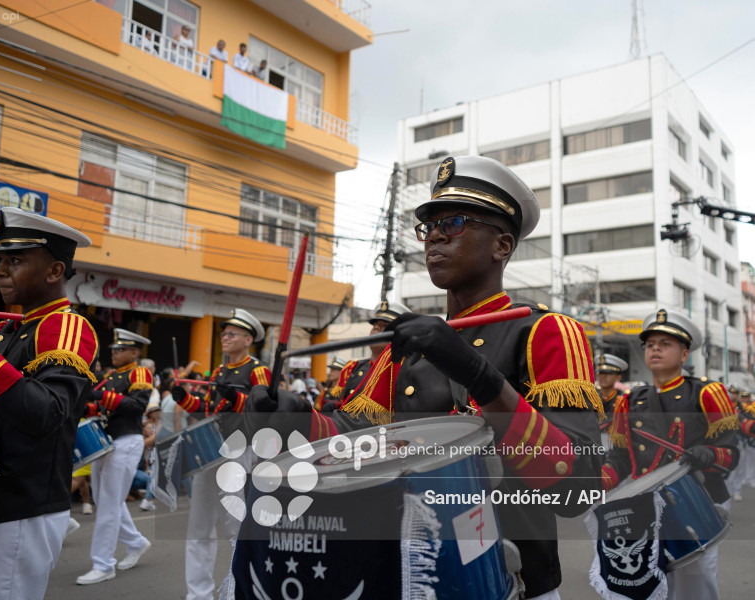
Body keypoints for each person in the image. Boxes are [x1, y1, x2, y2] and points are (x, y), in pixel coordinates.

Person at [240, 155, 604, 599]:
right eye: (428, 226)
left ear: (502, 246)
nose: (434, 234)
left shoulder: (546, 331)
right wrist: (298, 419)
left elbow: (575, 486)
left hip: (513, 582)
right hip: (411, 576)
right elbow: (360, 437)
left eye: (454, 221)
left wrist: (480, 377)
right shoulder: (413, 342)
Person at [0, 207, 98, 600]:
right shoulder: (3, 332)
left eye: (15, 260)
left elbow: (46, 413)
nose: (0, 270)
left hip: (21, 508)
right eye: (1, 260)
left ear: (54, 271)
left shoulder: (65, 326)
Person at [601, 309, 739, 600]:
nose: (656, 349)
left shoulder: (706, 393)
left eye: (665, 344)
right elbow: (621, 458)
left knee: (695, 583)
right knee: (644, 584)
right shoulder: (630, 402)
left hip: (695, 499)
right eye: (651, 344)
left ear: (684, 354)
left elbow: (730, 454)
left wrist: (708, 454)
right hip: (645, 506)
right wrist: (598, 482)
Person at [171, 309, 271, 600]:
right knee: (199, 526)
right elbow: (206, 410)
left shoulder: (257, 369)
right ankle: (197, 594)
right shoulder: (219, 371)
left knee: (234, 525)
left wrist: (235, 397)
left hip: (237, 450)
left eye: (232, 333)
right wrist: (183, 398)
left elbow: (263, 408)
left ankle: (238, 587)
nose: (225, 337)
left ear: (248, 339)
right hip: (210, 450)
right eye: (223, 333)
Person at [76, 329, 153, 585]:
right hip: (107, 441)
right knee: (107, 499)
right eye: (114, 349)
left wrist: (100, 396)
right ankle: (136, 542)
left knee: (108, 503)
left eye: (120, 349)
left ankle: (103, 563)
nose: (114, 353)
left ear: (134, 351)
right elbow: (100, 406)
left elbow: (136, 406)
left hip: (126, 440)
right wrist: (86, 403)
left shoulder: (139, 372)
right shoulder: (111, 376)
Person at [320, 301, 410, 413]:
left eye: (385, 327)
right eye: (375, 326)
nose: (377, 329)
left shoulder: (404, 368)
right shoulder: (354, 367)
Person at [596, 354, 628, 447]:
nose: (603, 377)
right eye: (600, 373)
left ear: (618, 377)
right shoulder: (590, 398)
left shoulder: (623, 400)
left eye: (608, 373)